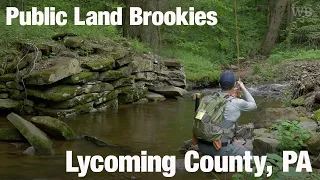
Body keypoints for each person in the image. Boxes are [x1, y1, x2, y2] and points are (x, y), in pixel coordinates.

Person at [195, 71, 257, 156]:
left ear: (220, 85)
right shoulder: (237, 102)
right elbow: (253, 105)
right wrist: (243, 88)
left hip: (202, 145)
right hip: (220, 148)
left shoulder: (206, 99)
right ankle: (225, 163)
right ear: (235, 85)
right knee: (250, 155)